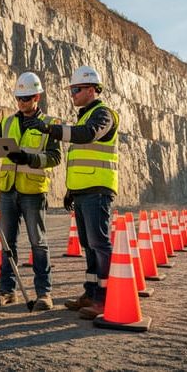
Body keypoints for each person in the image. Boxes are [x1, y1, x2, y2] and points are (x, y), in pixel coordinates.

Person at [23, 65, 119, 319]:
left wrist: (50, 129)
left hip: (98, 189)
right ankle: (91, 292)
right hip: (82, 191)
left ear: (91, 89)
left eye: (76, 89)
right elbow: (79, 157)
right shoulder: (85, 115)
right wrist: (70, 191)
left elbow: (86, 135)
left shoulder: (103, 115)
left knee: (99, 243)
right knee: (88, 245)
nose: (72, 94)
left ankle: (106, 297)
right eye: (71, 90)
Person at [0, 71, 61, 311]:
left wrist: (28, 158)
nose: (22, 102)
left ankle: (44, 293)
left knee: (39, 243)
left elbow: (55, 157)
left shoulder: (49, 124)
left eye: (26, 98)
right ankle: (7, 290)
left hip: (33, 192)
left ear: (37, 97)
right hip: (8, 189)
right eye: (19, 98)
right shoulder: (7, 122)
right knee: (7, 243)